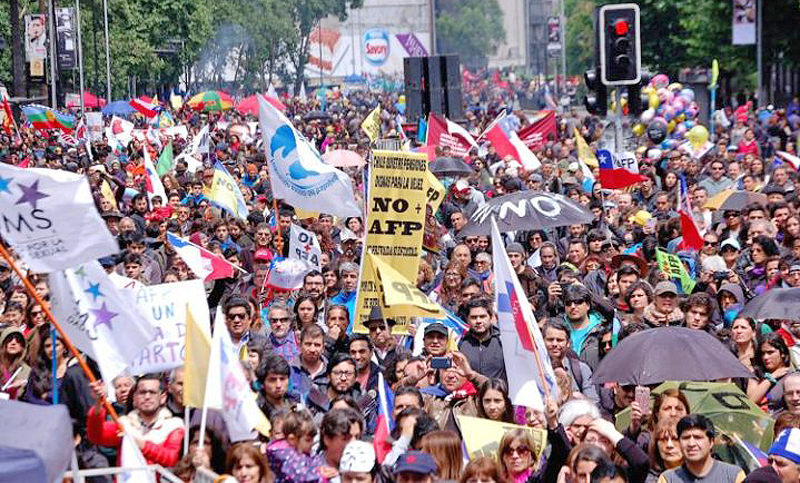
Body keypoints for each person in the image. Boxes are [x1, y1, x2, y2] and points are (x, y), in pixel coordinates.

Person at [87, 374, 185, 467]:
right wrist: (98, 403)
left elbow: (172, 459)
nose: (147, 397)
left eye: (152, 392)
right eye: (142, 392)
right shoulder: (124, 423)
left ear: (163, 397)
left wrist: (141, 444)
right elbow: (96, 436)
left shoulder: (174, 425)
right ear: (134, 397)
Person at [656, 414, 745, 483]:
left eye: (697, 437)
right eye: (686, 438)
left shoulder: (733, 476)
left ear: (711, 442)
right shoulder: (668, 479)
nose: (691, 444)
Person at [458, 297, 506, 381]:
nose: (478, 321)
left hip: (498, 392)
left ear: (490, 318)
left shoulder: (502, 341)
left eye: (482, 316)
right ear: (467, 319)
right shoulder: (461, 343)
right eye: (474, 317)